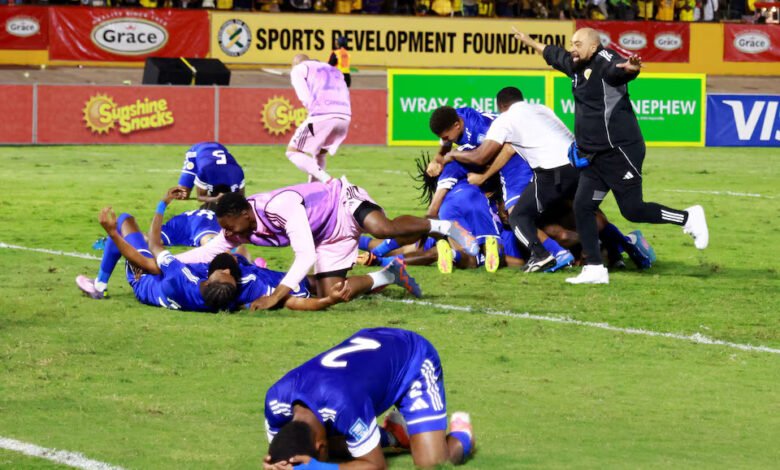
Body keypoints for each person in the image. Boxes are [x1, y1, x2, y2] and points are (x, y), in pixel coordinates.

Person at [513, 27, 708, 284]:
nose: (573, 48)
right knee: (583, 206)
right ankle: (595, 268)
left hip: (620, 151)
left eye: (578, 44)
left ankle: (688, 217)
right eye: (572, 43)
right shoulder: (575, 64)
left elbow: (618, 70)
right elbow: (552, 53)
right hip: (594, 156)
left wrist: (631, 68)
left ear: (593, 47)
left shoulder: (605, 61)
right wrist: (528, 40)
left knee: (633, 209)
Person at [174, 178, 478, 309]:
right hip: (328, 237)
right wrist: (168, 263)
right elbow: (208, 251)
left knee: (383, 229)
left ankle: (444, 226)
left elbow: (305, 255)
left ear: (244, 213)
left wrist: (276, 296)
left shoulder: (278, 206)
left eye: (228, 224)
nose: (226, 231)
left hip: (341, 203)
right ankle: (389, 275)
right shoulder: (237, 230)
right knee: (330, 292)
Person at [263, 327, 475, 469]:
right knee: (342, 449)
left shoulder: (343, 405)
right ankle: (394, 435)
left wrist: (319, 468)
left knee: (432, 463)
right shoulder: (274, 402)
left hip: (413, 358)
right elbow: (286, 449)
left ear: (321, 446)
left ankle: (463, 435)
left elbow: (375, 465)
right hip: (371, 352)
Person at [428, 105, 575, 273]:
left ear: (457, 125)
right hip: (515, 165)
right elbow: (445, 149)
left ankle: (556, 253)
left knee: (516, 214)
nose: (447, 141)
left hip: (516, 164)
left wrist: (469, 166)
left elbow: (504, 150)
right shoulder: (455, 117)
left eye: (447, 137)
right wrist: (437, 160)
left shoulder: (481, 130)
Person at [287, 54, 351, 183]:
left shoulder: (299, 69)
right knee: (320, 154)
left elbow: (304, 97)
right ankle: (314, 190)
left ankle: (329, 181)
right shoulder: (333, 70)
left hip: (323, 115)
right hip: (345, 116)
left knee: (293, 151)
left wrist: (314, 112)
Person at [177, 142, 245, 205]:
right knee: (182, 194)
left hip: (219, 149)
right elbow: (200, 197)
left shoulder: (238, 172)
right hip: (197, 151)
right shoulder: (205, 171)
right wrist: (215, 199)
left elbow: (241, 198)